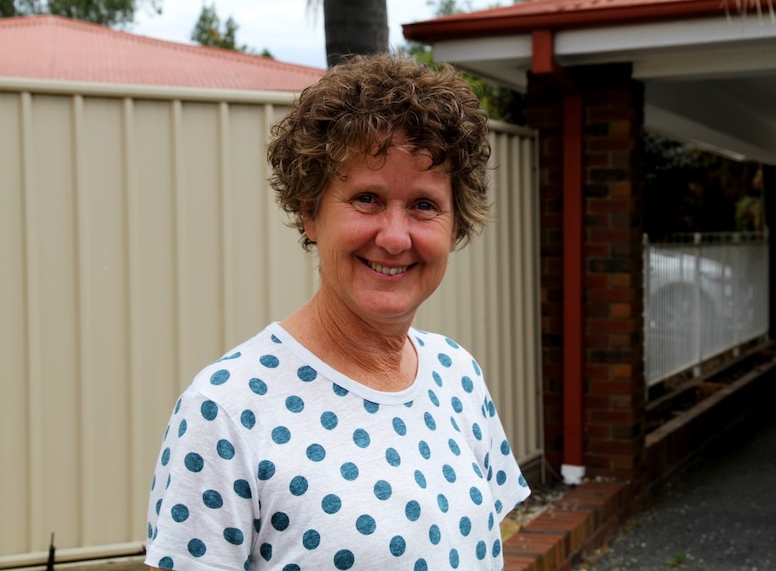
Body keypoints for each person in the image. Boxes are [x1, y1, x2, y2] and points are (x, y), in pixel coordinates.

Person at [144, 53, 530, 571]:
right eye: (367, 198)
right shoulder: (225, 412)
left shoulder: (460, 376)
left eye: (424, 205)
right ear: (309, 210)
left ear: (455, 225)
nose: (395, 237)